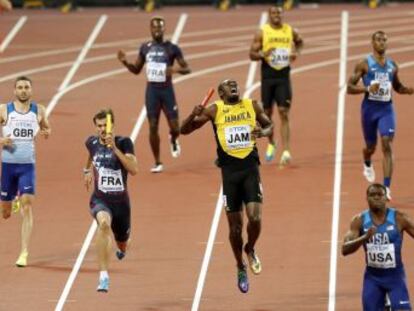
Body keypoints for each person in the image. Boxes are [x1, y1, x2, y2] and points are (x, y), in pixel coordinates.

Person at [180, 79, 273, 293]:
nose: (234, 86)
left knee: (256, 218)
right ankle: (240, 266)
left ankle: (250, 249)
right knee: (235, 229)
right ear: (221, 93)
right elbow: (184, 130)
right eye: (228, 85)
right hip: (230, 175)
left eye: (235, 84)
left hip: (250, 170)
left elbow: (269, 125)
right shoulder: (215, 110)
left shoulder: (252, 105)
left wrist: (264, 133)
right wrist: (192, 114)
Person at [117, 16, 191, 173]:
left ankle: (173, 138)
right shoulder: (145, 48)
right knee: (152, 126)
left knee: (175, 127)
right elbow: (137, 70)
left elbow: (187, 68)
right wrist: (125, 62)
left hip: (167, 91)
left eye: (160, 27)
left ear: (164, 29)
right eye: (155, 27)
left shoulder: (172, 48)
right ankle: (158, 162)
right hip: (152, 91)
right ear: (150, 29)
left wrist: (174, 70)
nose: (157, 30)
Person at [347, 30, 413, 201]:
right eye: (378, 39)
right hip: (369, 110)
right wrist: (367, 89)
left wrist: (407, 90)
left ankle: (386, 187)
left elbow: (397, 86)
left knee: (387, 144)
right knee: (371, 147)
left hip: (386, 110)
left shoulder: (393, 66)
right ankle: (367, 162)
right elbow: (349, 87)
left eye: (385, 40)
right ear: (372, 42)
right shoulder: (364, 64)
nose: (382, 42)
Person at [84, 109, 138, 292]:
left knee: (122, 242)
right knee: (104, 224)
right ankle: (103, 276)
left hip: (121, 204)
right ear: (95, 127)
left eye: (105, 125)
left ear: (112, 125)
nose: (102, 129)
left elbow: (134, 169)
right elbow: (91, 155)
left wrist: (114, 149)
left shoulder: (124, 143)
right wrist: (86, 171)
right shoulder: (91, 142)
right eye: (98, 126)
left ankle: (123, 247)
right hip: (100, 200)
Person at [0, 76, 51, 267]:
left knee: (27, 205)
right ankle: (11, 201)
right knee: (5, 213)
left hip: (27, 167)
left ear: (31, 90)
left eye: (26, 87)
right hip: (7, 167)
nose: (23, 90)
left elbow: (46, 127)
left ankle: (24, 252)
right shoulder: (4, 110)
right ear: (14, 91)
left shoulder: (39, 110)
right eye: (20, 87)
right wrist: (1, 141)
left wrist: (47, 132)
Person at [341, 183, 414, 310]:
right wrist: (364, 238)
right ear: (367, 198)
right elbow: (344, 249)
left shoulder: (399, 218)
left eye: (380, 195)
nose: (376, 198)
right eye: (372, 195)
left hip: (395, 277)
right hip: (373, 278)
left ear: (386, 197)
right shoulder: (359, 220)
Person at [249, 5, 303, 166]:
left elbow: (300, 43)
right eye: (273, 13)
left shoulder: (289, 30)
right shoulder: (262, 32)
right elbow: (251, 54)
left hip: (283, 77)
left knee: (283, 112)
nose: (276, 15)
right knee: (266, 114)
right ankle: (272, 142)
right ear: (269, 15)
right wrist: (261, 54)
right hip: (267, 77)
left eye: (279, 13)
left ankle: (286, 151)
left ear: (282, 14)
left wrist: (296, 53)